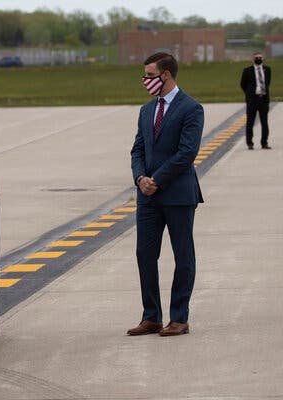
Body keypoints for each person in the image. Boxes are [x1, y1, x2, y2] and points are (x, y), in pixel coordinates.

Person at [128, 52, 204, 337]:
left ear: (167, 75)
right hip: (147, 196)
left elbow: (187, 153)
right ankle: (151, 317)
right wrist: (139, 179)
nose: (145, 80)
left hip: (178, 194)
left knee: (183, 256)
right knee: (145, 255)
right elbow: (138, 149)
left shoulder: (191, 108)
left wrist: (156, 180)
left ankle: (179, 318)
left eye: (149, 75)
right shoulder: (147, 110)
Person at [240, 52, 271, 149]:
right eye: (256, 57)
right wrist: (249, 94)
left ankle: (264, 142)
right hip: (252, 100)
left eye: (260, 57)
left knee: (264, 122)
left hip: (263, 99)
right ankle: (250, 143)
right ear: (253, 59)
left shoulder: (267, 70)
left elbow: (267, 83)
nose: (258, 58)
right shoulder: (247, 70)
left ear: (262, 58)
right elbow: (243, 84)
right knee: (250, 122)